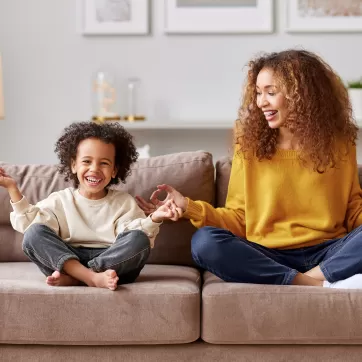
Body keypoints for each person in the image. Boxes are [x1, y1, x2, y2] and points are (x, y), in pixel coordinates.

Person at [136, 49, 362, 289]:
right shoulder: (250, 145)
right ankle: (318, 283)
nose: (260, 102)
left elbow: (352, 209)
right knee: (205, 243)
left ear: (303, 95)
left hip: (328, 251)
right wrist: (188, 207)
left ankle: (309, 278)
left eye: (271, 92)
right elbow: (239, 218)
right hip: (267, 255)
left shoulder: (339, 144)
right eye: (258, 92)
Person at [0, 122, 180, 290]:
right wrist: (12, 188)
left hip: (112, 262)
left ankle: (78, 277)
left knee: (139, 240)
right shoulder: (60, 200)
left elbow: (133, 234)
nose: (94, 169)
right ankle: (90, 277)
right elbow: (29, 224)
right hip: (67, 258)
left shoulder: (123, 202)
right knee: (33, 234)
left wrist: (155, 218)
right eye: (86, 161)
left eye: (104, 163)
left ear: (115, 170)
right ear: (73, 165)